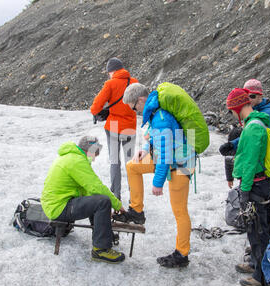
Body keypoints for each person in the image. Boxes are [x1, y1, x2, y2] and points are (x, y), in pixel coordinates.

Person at [112, 82, 195, 268]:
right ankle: (136, 211)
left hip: (181, 164)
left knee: (180, 211)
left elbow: (165, 155)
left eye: (134, 107)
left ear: (141, 100)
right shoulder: (155, 111)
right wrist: (143, 149)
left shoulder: (161, 118)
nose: (135, 111)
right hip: (169, 157)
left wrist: (158, 183)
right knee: (133, 166)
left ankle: (182, 254)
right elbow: (152, 137)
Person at [40, 136, 126, 264]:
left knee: (97, 200)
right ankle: (100, 250)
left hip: (57, 203)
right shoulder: (77, 161)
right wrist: (117, 205)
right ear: (89, 150)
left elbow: (89, 190)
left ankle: (104, 234)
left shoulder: (72, 157)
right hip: (59, 207)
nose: (95, 157)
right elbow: (96, 186)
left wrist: (105, 214)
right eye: (95, 152)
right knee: (103, 202)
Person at [226, 88, 270, 286]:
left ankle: (261, 275)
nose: (232, 114)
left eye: (231, 110)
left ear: (237, 107)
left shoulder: (253, 127)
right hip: (257, 183)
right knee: (255, 228)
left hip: (255, 184)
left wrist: (244, 190)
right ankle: (255, 264)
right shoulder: (254, 124)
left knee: (258, 229)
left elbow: (251, 161)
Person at [90, 57, 138, 200]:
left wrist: (97, 112)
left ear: (112, 71)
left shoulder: (110, 84)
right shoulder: (134, 82)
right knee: (131, 162)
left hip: (114, 127)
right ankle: (135, 197)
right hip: (130, 126)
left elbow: (96, 106)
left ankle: (116, 196)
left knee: (115, 161)